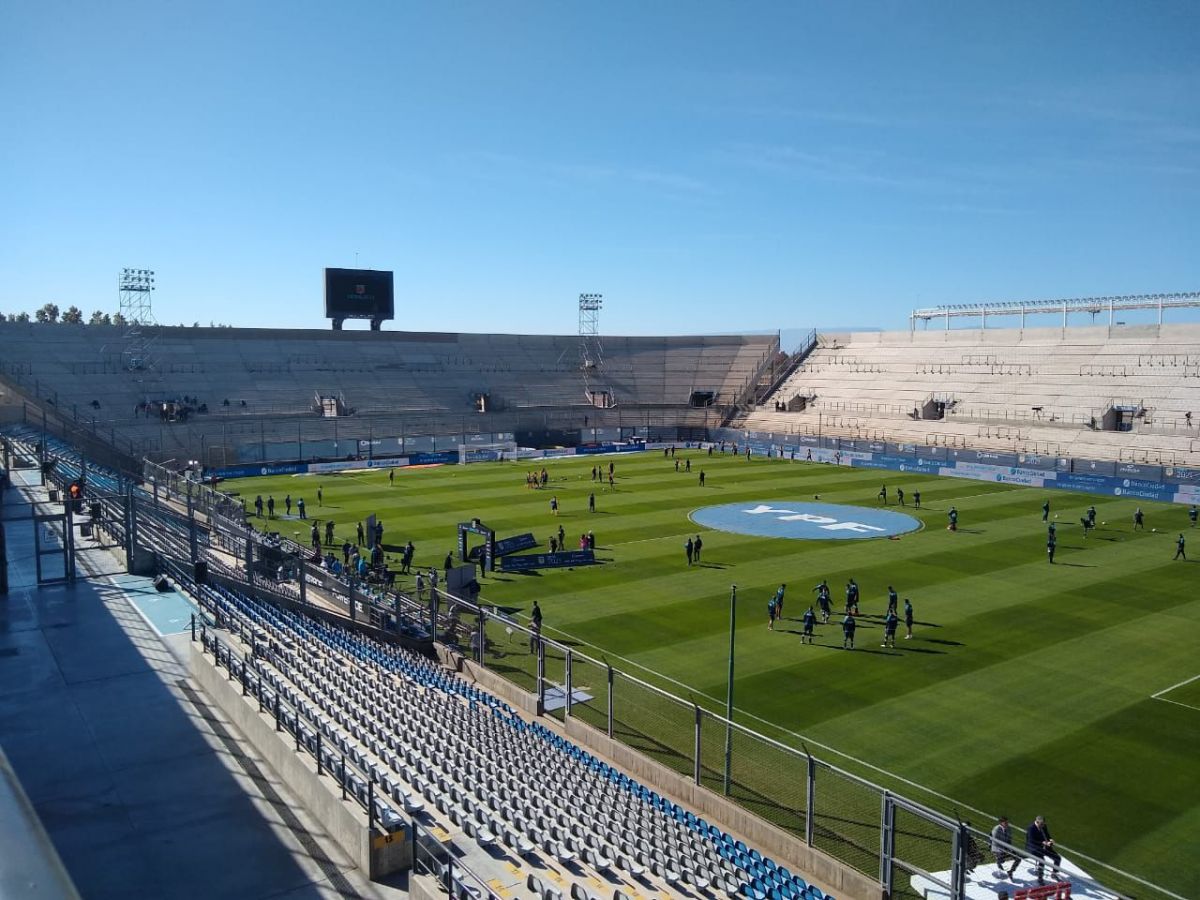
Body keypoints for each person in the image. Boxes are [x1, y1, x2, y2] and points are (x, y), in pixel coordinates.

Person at [1025, 816, 1061, 884]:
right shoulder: (1031, 828)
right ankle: (1040, 878)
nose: (1043, 826)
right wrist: (1042, 842)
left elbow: (1047, 834)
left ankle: (1054, 873)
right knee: (1042, 861)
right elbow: (1031, 840)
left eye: (1044, 824)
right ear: (1037, 822)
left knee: (1057, 858)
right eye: (1041, 824)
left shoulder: (1043, 825)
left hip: (1043, 846)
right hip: (1033, 848)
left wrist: (1050, 839)